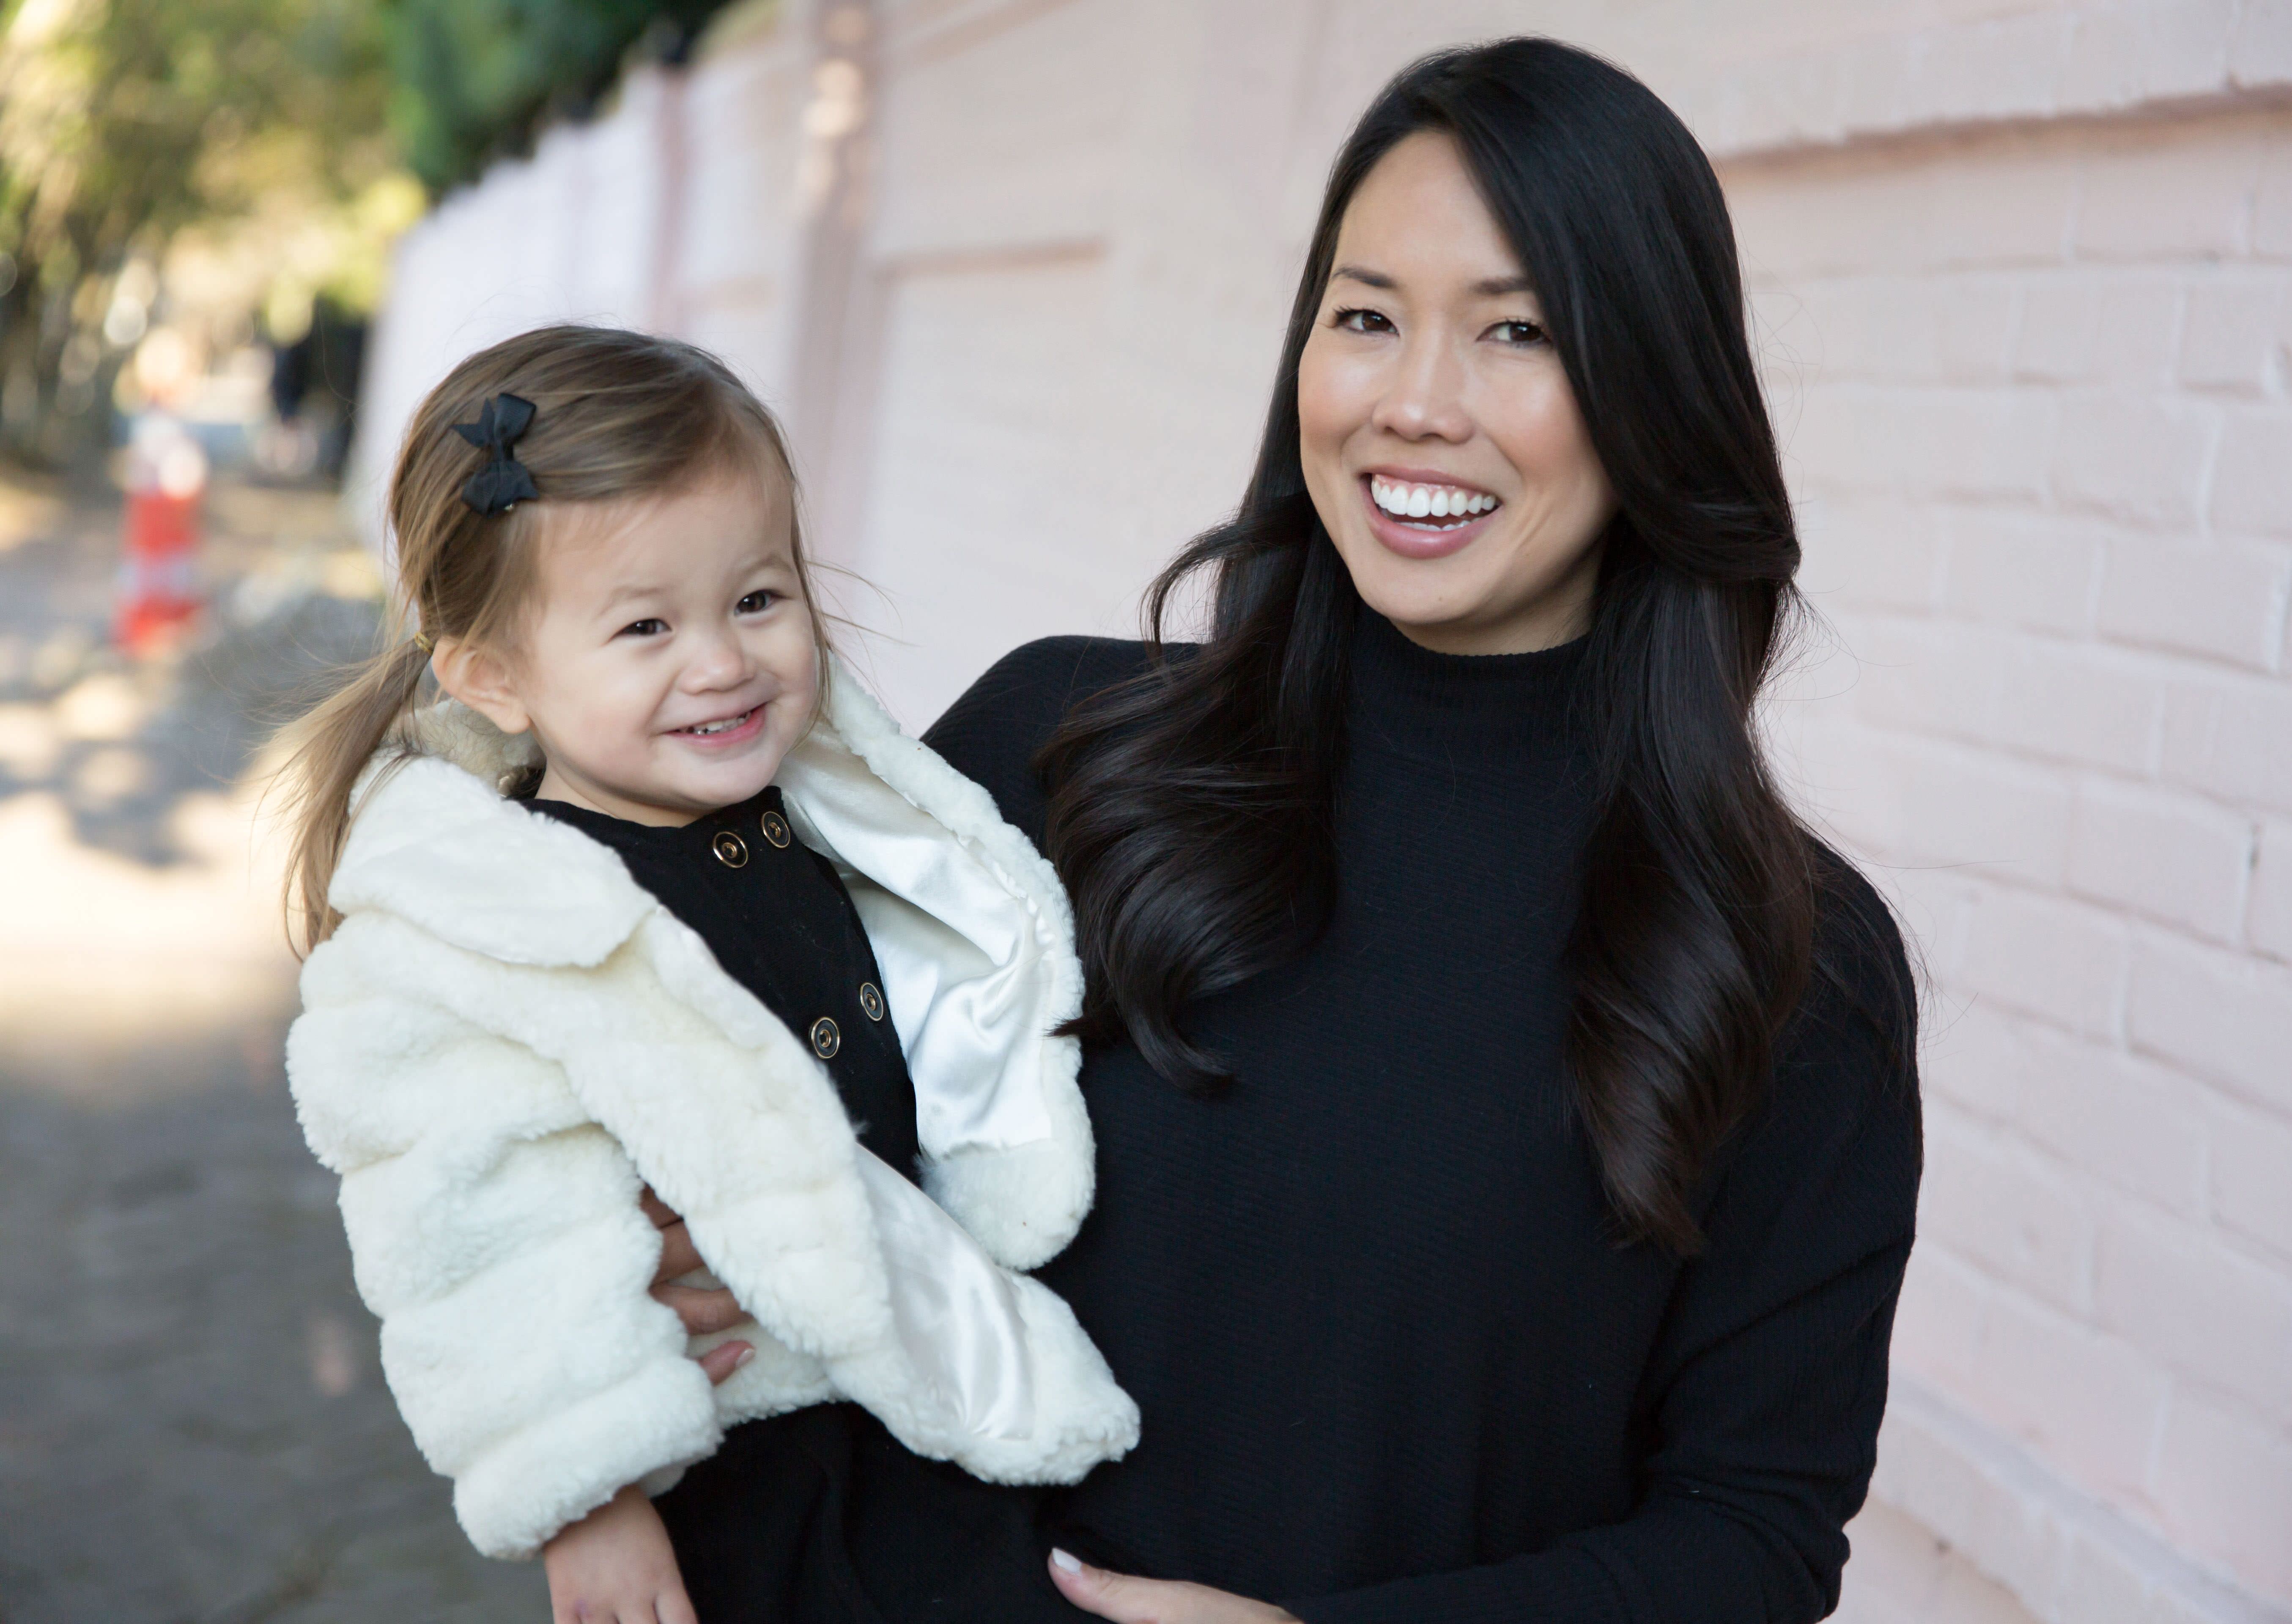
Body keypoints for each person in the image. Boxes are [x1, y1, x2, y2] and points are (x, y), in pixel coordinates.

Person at [671, 36, 1924, 1624]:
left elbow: (1753, 1536)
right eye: (1367, 315)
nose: (1417, 404)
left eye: (1519, 331)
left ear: (1653, 387)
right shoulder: (1051, 759)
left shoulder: (1789, 964)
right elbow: (720, 1124)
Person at [277, 326, 1140, 1624]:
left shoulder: (815, 810)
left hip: (905, 1403)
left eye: (757, 598)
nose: (723, 662)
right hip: (739, 1465)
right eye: (644, 626)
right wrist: (593, 1500)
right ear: (493, 675)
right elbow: (468, 1224)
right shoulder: (495, 923)